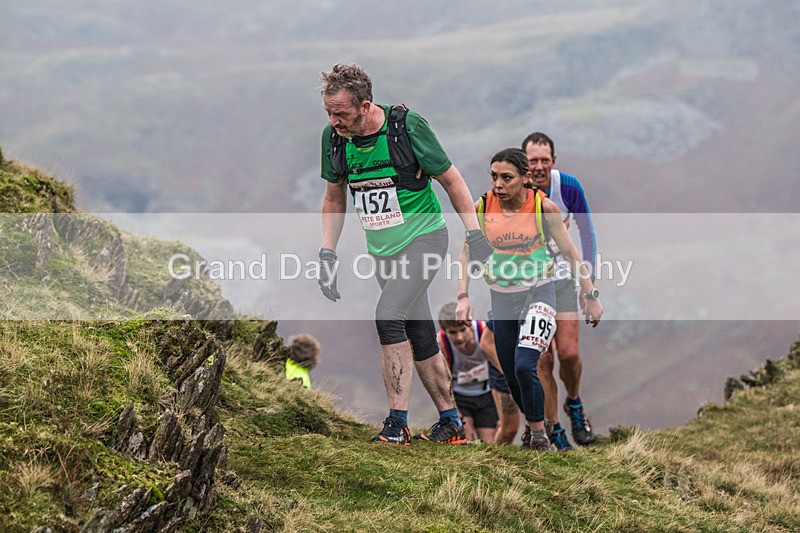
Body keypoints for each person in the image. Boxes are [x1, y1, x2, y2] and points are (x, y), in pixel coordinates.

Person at [317, 64, 494, 445]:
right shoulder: (334, 139)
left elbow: (451, 179)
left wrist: (475, 233)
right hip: (382, 250)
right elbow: (334, 198)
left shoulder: (406, 128)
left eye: (342, 114)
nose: (334, 122)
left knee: (388, 316)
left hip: (425, 240)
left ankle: (397, 423)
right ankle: (451, 422)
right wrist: (327, 254)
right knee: (419, 331)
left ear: (365, 106)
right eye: (329, 113)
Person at [456, 147, 602, 451]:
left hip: (540, 294)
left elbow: (570, 252)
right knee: (512, 376)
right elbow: (467, 250)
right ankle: (541, 430)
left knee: (526, 366)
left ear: (525, 178)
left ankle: (538, 435)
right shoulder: (482, 207)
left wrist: (591, 293)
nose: (498, 184)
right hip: (503, 299)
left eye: (507, 177)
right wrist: (463, 295)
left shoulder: (543, 208)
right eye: (494, 176)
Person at [522, 132, 598, 449]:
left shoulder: (567, 187)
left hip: (564, 281)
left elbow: (588, 233)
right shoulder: (515, 188)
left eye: (544, 160)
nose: (538, 167)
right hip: (527, 286)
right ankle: (555, 430)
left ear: (553, 161)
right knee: (542, 361)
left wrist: (589, 288)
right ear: (525, 163)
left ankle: (575, 403)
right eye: (532, 161)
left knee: (568, 353)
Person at [437, 302, 500, 443]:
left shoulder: (485, 332)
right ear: (444, 330)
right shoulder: (441, 343)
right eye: (452, 333)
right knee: (466, 437)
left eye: (462, 330)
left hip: (487, 395)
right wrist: (453, 409)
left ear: (470, 323)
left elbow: (502, 368)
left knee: (490, 442)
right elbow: (441, 379)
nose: (459, 337)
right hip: (460, 396)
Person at [480, 312, 522, 445]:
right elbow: (486, 344)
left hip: (529, 366)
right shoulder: (506, 304)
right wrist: (509, 373)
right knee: (509, 429)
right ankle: (494, 458)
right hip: (505, 370)